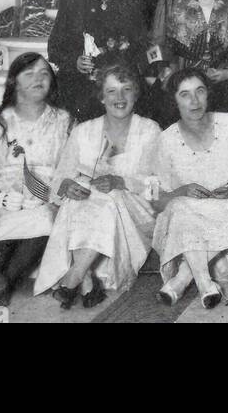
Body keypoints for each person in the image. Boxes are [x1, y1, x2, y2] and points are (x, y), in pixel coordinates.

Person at [34, 64, 160, 308]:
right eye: (111, 91)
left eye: (127, 90)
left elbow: (159, 187)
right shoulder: (83, 132)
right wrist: (68, 186)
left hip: (137, 213)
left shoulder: (150, 131)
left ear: (136, 94)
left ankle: (72, 277)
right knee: (82, 193)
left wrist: (121, 181)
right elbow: (59, 180)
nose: (120, 98)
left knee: (107, 196)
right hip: (91, 211)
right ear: (101, 97)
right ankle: (85, 279)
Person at [152, 69, 228, 308]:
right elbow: (157, 199)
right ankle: (205, 284)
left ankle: (181, 280)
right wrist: (182, 190)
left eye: (200, 91)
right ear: (174, 100)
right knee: (181, 208)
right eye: (185, 94)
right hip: (184, 215)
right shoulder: (166, 139)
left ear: (209, 93)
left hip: (224, 206)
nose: (194, 101)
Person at [0, 53, 72, 310]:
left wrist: (51, 195)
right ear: (13, 82)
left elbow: (72, 169)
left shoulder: (65, 122)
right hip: (1, 198)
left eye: (44, 73)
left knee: (44, 220)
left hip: (45, 199)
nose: (38, 79)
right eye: (29, 73)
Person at [48, 0, 151, 122]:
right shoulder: (72, 4)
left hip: (120, 89)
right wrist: (75, 62)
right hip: (80, 88)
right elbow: (54, 49)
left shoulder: (134, 5)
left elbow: (143, 49)